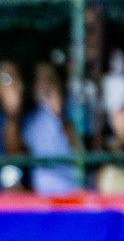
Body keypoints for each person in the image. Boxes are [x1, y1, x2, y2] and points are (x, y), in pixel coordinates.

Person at [23, 63, 82, 195]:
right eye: (41, 80)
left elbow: (78, 149)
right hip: (43, 193)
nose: (46, 85)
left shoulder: (70, 114)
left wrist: (59, 116)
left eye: (50, 80)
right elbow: (18, 148)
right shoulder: (29, 119)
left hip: (72, 190)